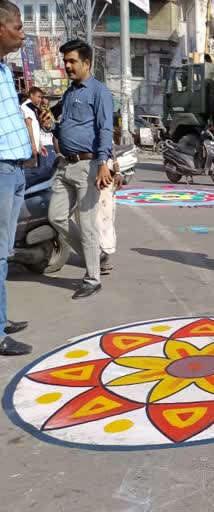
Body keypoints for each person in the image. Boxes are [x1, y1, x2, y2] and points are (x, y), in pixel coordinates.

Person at [39, 39, 114, 300]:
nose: (67, 66)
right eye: (65, 62)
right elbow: (63, 129)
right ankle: (93, 255)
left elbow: (105, 129)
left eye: (71, 61)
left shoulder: (99, 93)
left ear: (87, 63)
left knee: (89, 224)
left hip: (89, 165)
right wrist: (51, 127)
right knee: (56, 216)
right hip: (65, 165)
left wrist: (104, 163)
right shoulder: (70, 93)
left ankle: (92, 279)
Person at [0, 0, 32, 355]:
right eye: (19, 26)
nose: (23, 34)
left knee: (4, 253)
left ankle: (1, 315)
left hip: (15, 168)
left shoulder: (5, 71)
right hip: (1, 168)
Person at [20, 86, 46, 168]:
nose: (40, 99)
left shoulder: (32, 108)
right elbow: (29, 126)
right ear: (31, 95)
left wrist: (40, 144)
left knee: (34, 170)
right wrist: (33, 145)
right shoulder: (25, 107)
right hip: (29, 146)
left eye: (41, 97)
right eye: (38, 97)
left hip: (34, 145)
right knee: (29, 171)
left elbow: (35, 128)